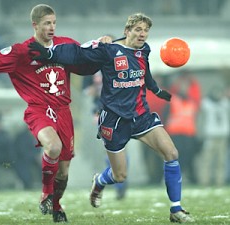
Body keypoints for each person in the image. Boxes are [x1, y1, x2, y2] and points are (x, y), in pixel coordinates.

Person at [29, 13, 194, 223]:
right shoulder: (109, 50)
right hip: (114, 120)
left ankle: (176, 210)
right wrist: (50, 54)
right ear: (127, 31)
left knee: (171, 153)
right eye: (138, 30)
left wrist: (156, 90)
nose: (142, 34)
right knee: (120, 176)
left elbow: (146, 74)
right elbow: (78, 54)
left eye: (145, 30)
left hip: (141, 115)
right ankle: (99, 181)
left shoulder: (145, 50)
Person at [0, 4, 100, 223]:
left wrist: (101, 47)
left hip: (64, 111)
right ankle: (46, 192)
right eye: (47, 23)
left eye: (54, 23)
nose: (52, 27)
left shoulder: (65, 44)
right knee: (53, 146)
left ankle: (56, 206)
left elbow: (84, 60)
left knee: (63, 173)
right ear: (35, 25)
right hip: (38, 110)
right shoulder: (21, 52)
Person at [14, 125, 42, 190]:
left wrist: (37, 156)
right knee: (24, 168)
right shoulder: (21, 137)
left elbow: (38, 148)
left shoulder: (36, 136)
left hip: (32, 158)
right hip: (21, 158)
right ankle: (28, 184)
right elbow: (22, 151)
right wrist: (34, 156)